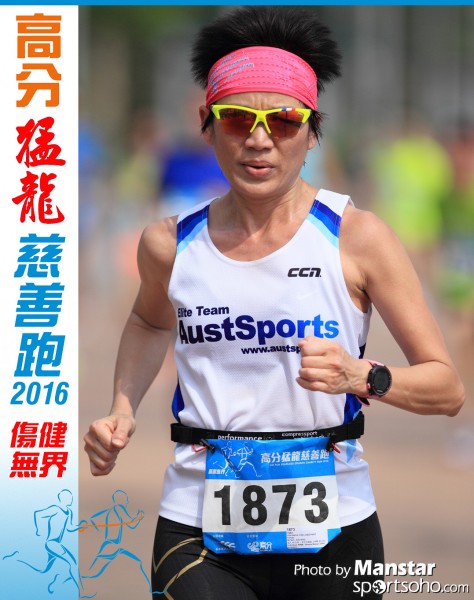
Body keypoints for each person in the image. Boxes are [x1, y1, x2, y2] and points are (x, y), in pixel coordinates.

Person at [84, 7, 465, 599]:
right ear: (207, 127)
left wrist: (360, 375)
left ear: (313, 132)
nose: (259, 139)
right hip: (198, 527)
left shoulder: (357, 237)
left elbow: (446, 388)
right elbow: (147, 321)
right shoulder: (168, 244)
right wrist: (122, 406)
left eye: (284, 121)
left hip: (336, 527)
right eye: (238, 119)